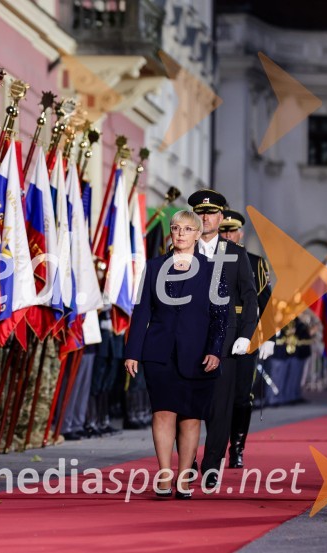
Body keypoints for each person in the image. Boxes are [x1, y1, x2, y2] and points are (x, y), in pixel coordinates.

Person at [125, 210, 229, 499]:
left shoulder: (212, 269)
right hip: (159, 352)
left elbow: (221, 317)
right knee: (162, 414)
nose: (180, 233)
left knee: (191, 418)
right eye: (175, 228)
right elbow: (142, 309)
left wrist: (215, 351)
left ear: (198, 234)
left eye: (187, 229)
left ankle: (184, 479)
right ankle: (164, 474)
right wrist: (132, 352)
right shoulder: (155, 266)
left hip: (198, 355)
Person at [187, 191, 258, 490]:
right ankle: (187, 463)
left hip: (225, 342)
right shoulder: (181, 249)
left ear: (220, 217)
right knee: (186, 406)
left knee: (220, 408)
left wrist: (245, 335)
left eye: (211, 213)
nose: (205, 218)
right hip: (188, 340)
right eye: (200, 214)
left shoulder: (236, 253)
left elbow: (250, 297)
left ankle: (212, 464)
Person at [218, 210, 275, 468]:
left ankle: (237, 448)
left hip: (245, 334)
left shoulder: (254, 263)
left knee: (242, 395)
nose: (228, 235)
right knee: (213, 396)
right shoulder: (209, 259)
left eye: (232, 231)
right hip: (216, 333)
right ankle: (213, 448)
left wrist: (269, 336)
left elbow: (266, 303)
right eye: (224, 231)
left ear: (240, 233)